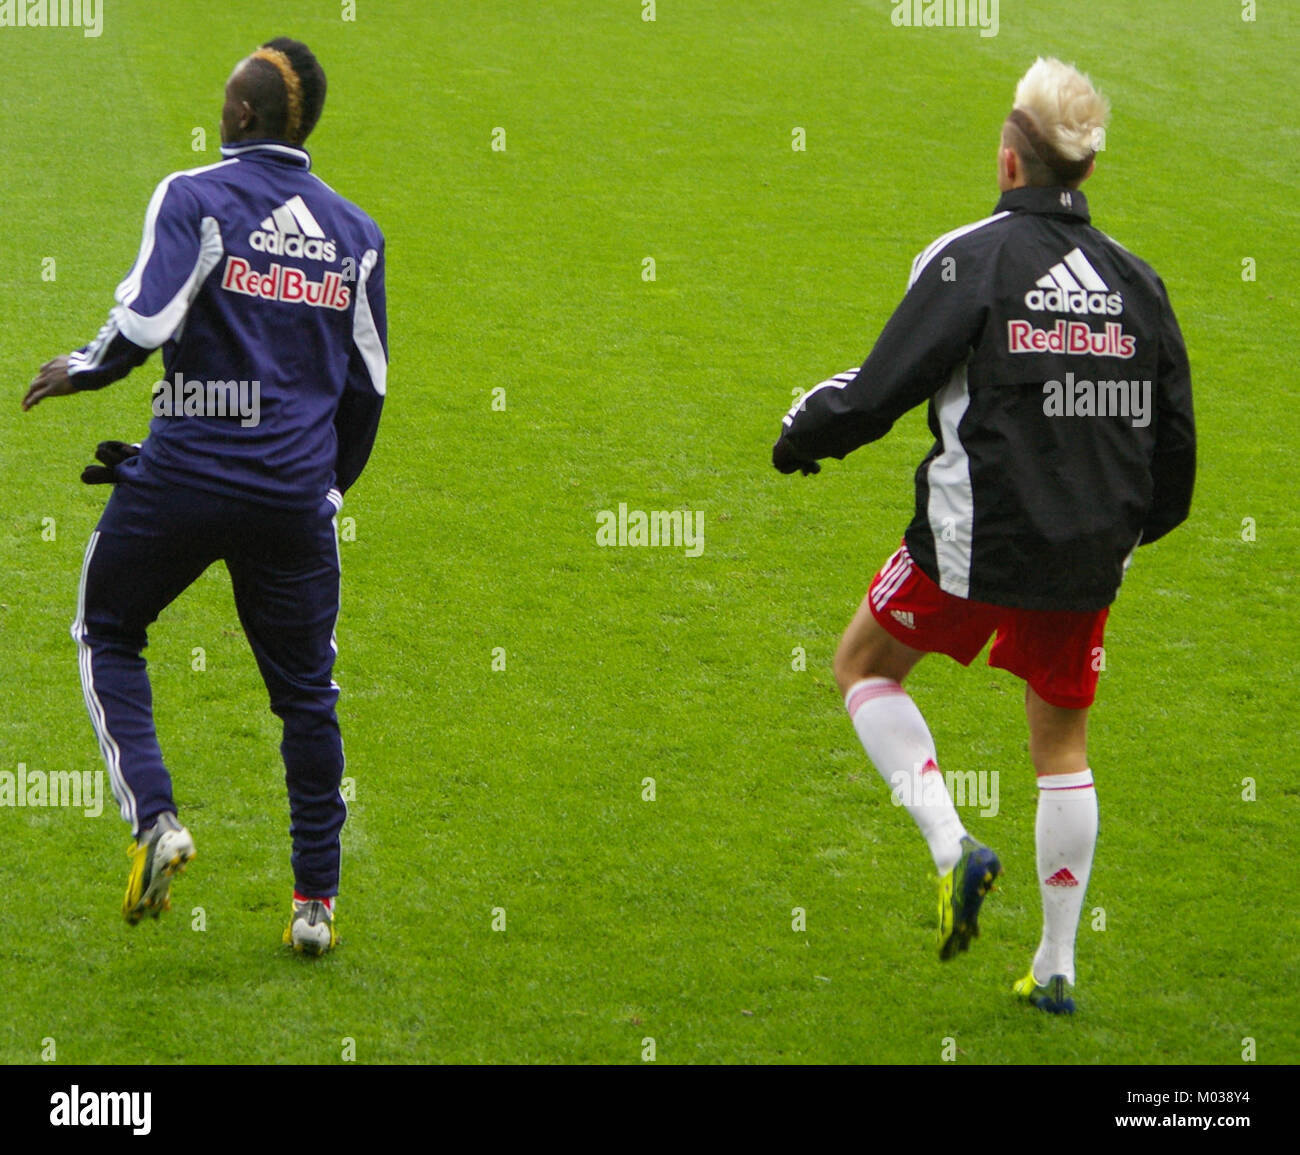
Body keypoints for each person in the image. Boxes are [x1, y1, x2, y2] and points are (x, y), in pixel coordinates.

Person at [772, 57, 1194, 1013]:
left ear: (1011, 164)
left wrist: (801, 440)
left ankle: (952, 844)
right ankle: (1055, 968)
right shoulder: (1140, 281)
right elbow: (1177, 452)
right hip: (1087, 554)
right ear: (1083, 172)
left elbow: (880, 386)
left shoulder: (969, 256)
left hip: (972, 543)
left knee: (863, 666)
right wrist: (1120, 540)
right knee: (1062, 745)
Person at [21, 37, 387, 956]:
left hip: (182, 478)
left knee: (108, 628)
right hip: (293, 499)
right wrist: (326, 488)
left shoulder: (196, 195)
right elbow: (368, 388)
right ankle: (315, 906)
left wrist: (83, 369)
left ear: (240, 118)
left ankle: (156, 818)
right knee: (307, 696)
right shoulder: (357, 234)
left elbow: (144, 322)